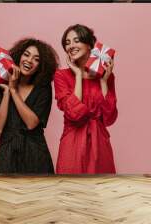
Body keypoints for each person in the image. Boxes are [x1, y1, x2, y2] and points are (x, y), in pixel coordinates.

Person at [0, 38, 58, 174]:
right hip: (7, 154)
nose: (29, 61)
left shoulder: (43, 88)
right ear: (18, 56)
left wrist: (14, 90)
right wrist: (7, 91)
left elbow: (31, 123)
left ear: (41, 66)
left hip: (36, 154)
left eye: (36, 59)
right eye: (26, 54)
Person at [54, 24, 118, 174]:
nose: (71, 46)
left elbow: (109, 118)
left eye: (76, 40)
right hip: (73, 142)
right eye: (67, 43)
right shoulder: (61, 76)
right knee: (70, 192)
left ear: (90, 45)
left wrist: (103, 81)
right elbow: (74, 113)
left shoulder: (106, 76)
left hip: (100, 142)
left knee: (101, 191)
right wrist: (77, 75)